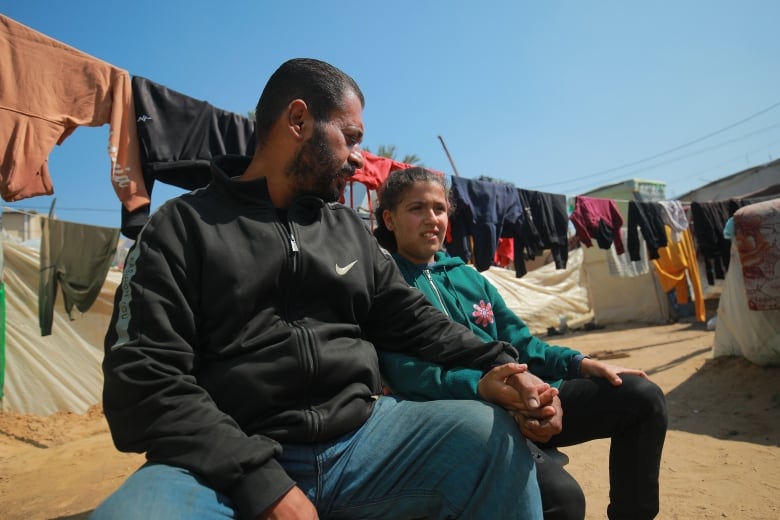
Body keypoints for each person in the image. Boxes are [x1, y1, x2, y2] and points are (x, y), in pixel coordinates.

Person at [91, 58, 551, 520]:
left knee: (486, 437)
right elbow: (142, 381)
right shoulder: (180, 228)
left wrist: (502, 364)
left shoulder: (348, 231)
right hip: (225, 459)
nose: (357, 157)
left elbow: (414, 322)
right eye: (350, 138)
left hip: (362, 441)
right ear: (298, 121)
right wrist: (258, 480)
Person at [373, 167, 669, 520]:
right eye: (416, 209)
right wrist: (483, 389)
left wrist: (580, 363)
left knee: (641, 396)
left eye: (439, 209)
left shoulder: (468, 277)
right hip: (470, 415)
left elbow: (520, 343)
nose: (432, 219)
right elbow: (405, 372)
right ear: (389, 219)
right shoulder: (386, 285)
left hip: (527, 397)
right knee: (563, 499)